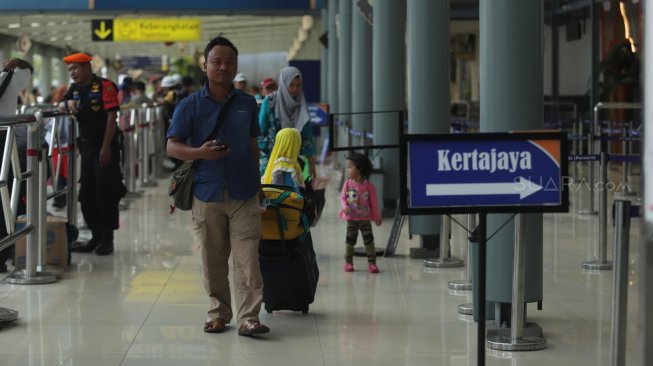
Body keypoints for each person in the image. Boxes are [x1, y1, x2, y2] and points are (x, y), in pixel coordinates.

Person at [166, 36, 270, 337]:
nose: (223, 67)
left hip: (244, 192)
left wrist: (259, 184)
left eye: (229, 62)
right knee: (212, 261)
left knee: (248, 259)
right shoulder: (189, 106)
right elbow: (172, 147)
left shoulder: (248, 103)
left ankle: (249, 317)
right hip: (206, 192)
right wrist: (200, 153)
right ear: (205, 65)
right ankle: (218, 313)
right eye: (217, 61)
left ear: (236, 66)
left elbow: (253, 145)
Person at [58, 52, 126, 256]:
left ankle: (107, 239)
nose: (72, 73)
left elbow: (112, 116)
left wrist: (105, 147)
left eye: (76, 68)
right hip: (86, 148)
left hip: (105, 146)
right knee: (86, 195)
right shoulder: (75, 89)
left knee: (105, 193)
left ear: (87, 67)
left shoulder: (105, 86)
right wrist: (66, 104)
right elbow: (62, 103)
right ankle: (96, 236)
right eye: (70, 70)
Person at [0, 58, 33, 272]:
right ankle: (3, 252)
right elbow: (28, 72)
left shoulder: (6, 77)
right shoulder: (9, 77)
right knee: (4, 196)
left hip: (3, 140)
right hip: (4, 141)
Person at [258, 66, 315, 178]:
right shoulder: (270, 102)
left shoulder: (301, 105)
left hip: (293, 160)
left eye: (298, 85)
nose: (295, 89)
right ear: (284, 85)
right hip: (270, 158)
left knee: (291, 192)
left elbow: (306, 135)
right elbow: (260, 130)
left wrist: (311, 162)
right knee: (269, 190)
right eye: (291, 85)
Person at [339, 153, 381, 273]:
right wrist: (345, 206)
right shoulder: (348, 184)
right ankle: (348, 262)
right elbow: (342, 198)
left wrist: (377, 217)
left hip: (365, 219)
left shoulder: (369, 186)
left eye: (350, 167)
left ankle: (372, 263)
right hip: (351, 219)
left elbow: (374, 203)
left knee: (369, 240)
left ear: (360, 169)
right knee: (350, 241)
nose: (347, 170)